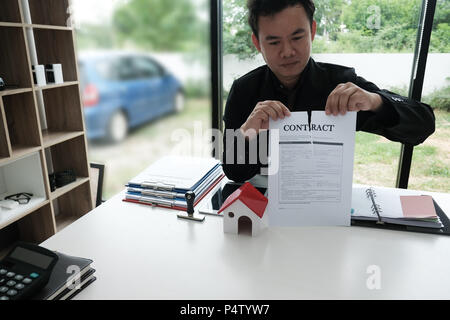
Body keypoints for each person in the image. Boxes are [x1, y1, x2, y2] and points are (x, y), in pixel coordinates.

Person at [222, 0, 435, 182]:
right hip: (264, 212)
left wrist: (375, 101)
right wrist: (246, 134)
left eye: (297, 38)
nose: (287, 52)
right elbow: (234, 173)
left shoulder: (340, 84)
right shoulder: (244, 90)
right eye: (274, 42)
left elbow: (423, 125)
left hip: (328, 207)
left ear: (312, 31)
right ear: (257, 43)